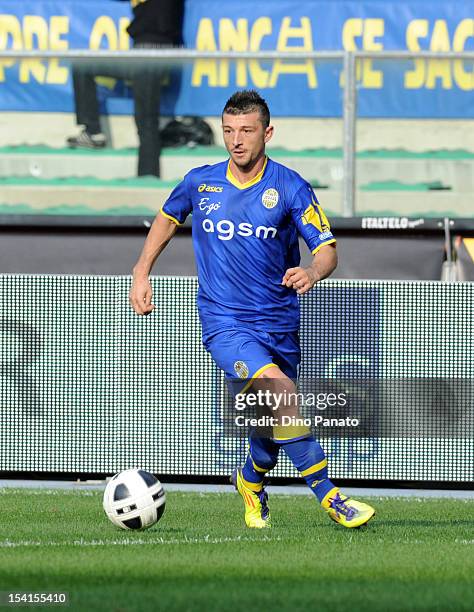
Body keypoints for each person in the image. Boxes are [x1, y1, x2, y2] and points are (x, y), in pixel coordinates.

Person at [129, 90, 375, 529]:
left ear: (267, 132)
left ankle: (249, 479)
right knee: (279, 391)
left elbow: (327, 250)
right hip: (225, 324)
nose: (236, 140)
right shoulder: (199, 182)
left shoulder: (289, 186)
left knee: (269, 426)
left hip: (278, 323)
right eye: (228, 131)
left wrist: (312, 273)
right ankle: (332, 498)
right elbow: (168, 217)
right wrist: (142, 270)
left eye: (246, 130)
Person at [67, 0, 184, 177]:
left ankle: (147, 179)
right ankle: (93, 131)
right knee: (83, 65)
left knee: (146, 122)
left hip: (157, 52)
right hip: (137, 53)